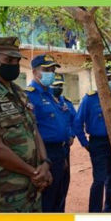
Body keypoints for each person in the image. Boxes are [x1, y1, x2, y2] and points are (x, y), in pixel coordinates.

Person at [0, 37, 52, 212]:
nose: (14, 64)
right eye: (8, 60)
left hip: (33, 186)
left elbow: (34, 130)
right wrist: (33, 173)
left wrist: (45, 163)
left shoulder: (19, 93)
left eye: (17, 60)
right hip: (9, 189)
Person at [74, 69, 111, 213]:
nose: (109, 81)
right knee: (99, 180)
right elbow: (77, 123)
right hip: (98, 143)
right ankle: (95, 213)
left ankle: (110, 210)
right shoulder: (90, 99)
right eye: (107, 78)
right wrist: (85, 144)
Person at [25, 54, 68, 213]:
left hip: (60, 152)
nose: (51, 73)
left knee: (59, 196)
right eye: (46, 69)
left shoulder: (52, 94)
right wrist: (44, 161)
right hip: (45, 154)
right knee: (47, 200)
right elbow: (31, 130)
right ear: (35, 72)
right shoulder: (29, 95)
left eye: (52, 70)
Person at [50, 73, 77, 212]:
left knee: (64, 182)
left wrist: (72, 134)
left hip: (65, 148)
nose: (58, 88)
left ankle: (61, 212)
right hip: (49, 150)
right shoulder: (46, 101)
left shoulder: (66, 102)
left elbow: (74, 120)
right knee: (51, 186)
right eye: (56, 85)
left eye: (60, 85)